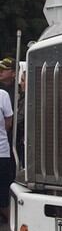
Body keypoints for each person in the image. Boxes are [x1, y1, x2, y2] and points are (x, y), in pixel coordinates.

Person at [0, 85, 13, 223]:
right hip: (2, 151)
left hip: (2, 151)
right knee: (3, 189)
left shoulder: (3, 94)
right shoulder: (3, 95)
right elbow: (8, 123)